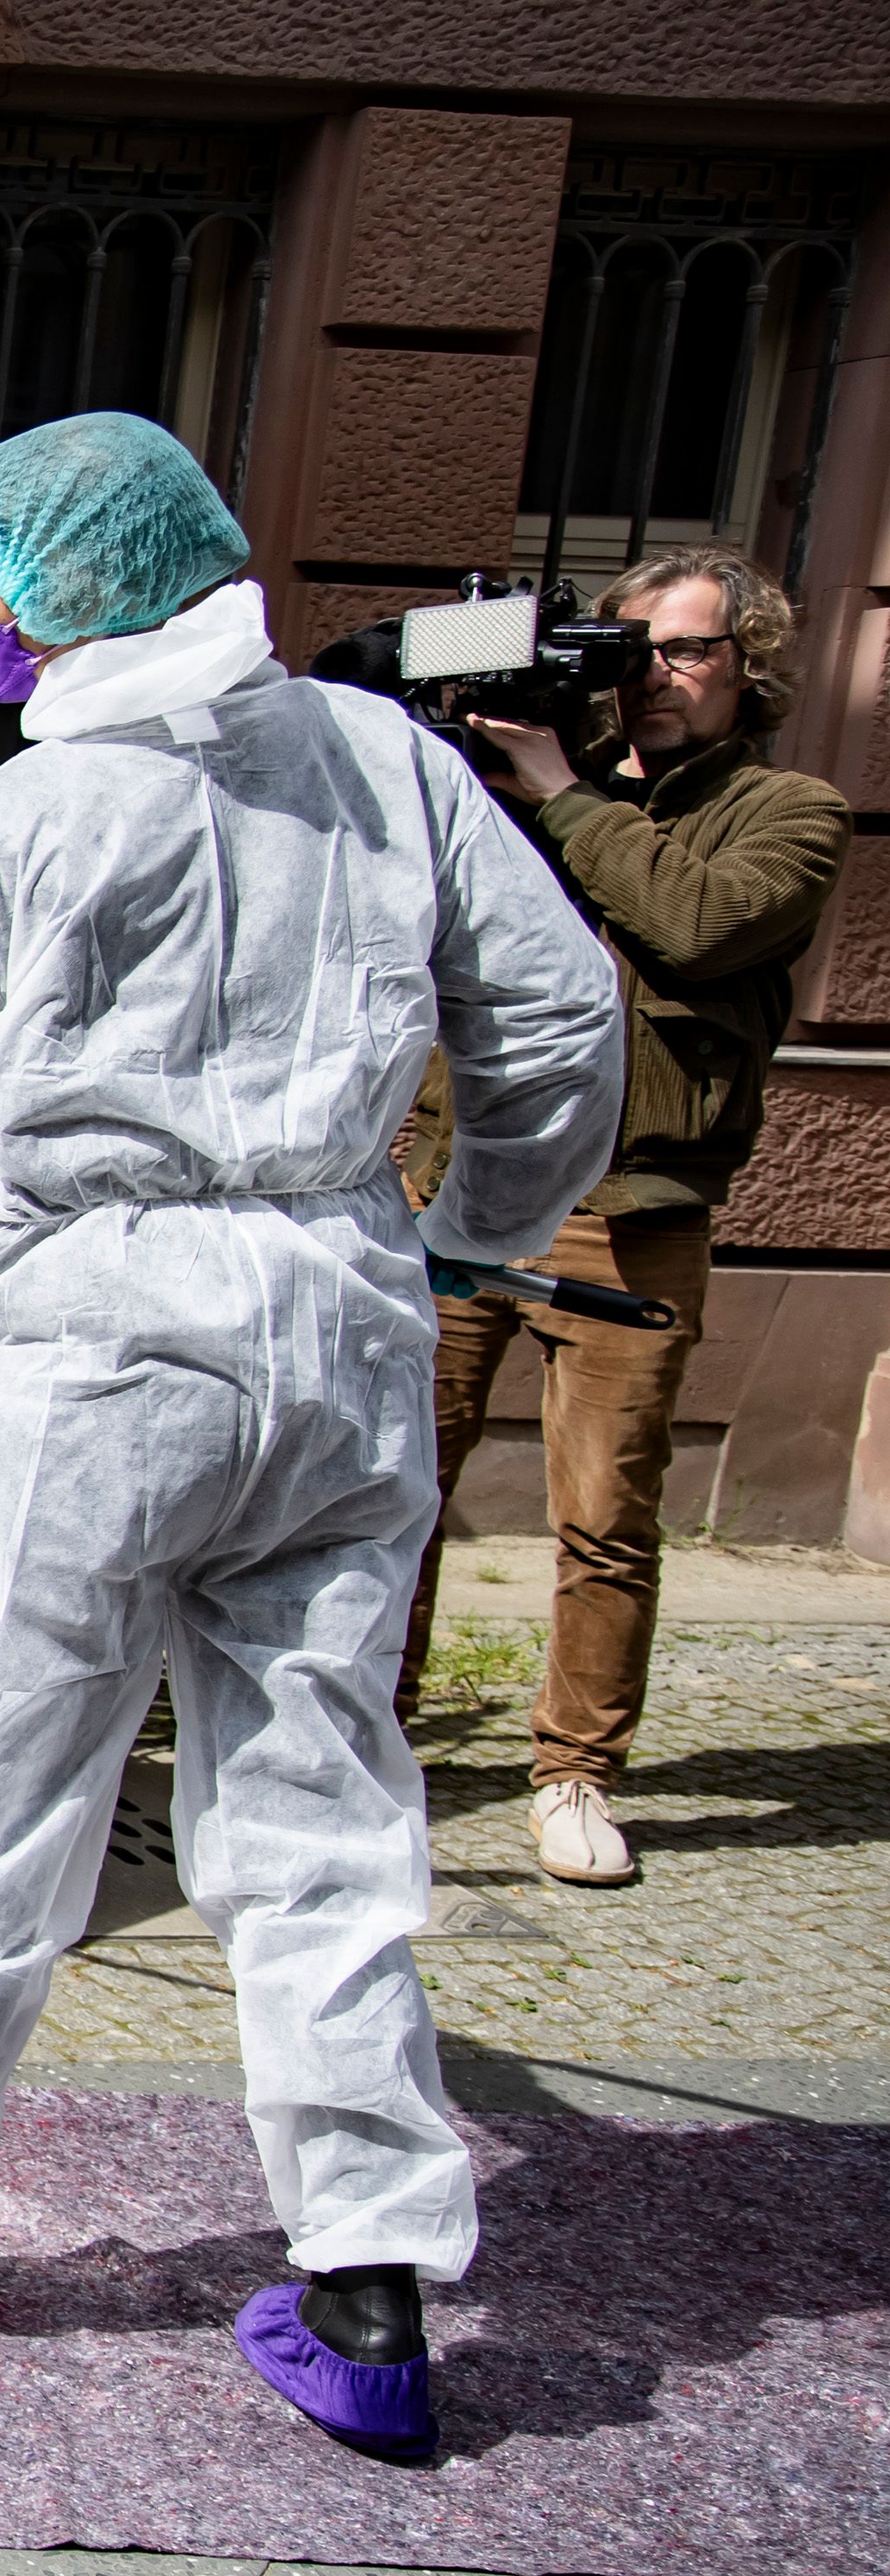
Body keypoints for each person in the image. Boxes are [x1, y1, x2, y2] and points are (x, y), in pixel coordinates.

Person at [0, 413, 623, 2461]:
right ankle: (366, 2281)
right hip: (336, 1327)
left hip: (88, 1348)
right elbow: (555, 1022)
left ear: (56, 592)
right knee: (318, 1816)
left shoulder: (21, 817)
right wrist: (475, 1226)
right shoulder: (389, 765)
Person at [399, 548, 854, 1886]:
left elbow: (699, 925)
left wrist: (564, 793)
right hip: (463, 1184)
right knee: (390, 1487)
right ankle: (367, 1743)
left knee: (606, 1515)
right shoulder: (514, 785)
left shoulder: (792, 812)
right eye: (633, 649)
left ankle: (576, 1774)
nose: (657, 676)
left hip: (632, 1203)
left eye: (691, 651)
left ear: (749, 669)